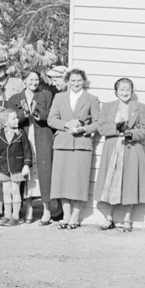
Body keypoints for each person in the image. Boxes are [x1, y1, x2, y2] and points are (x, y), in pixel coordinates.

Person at [94, 78, 145, 232]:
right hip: (112, 149)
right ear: (116, 92)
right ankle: (109, 219)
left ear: (131, 92)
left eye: (128, 89)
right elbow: (101, 127)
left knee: (129, 182)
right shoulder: (107, 107)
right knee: (111, 181)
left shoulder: (140, 107)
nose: (125, 92)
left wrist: (130, 133)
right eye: (122, 89)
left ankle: (127, 219)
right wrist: (117, 128)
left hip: (131, 148)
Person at [48, 68, 100, 229]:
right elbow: (51, 119)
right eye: (73, 80)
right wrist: (66, 124)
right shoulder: (59, 97)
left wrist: (84, 129)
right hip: (62, 143)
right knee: (62, 180)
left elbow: (98, 123)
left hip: (81, 144)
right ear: (68, 82)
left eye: (79, 80)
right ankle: (66, 215)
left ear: (83, 81)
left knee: (79, 181)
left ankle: (75, 217)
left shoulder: (91, 99)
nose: (76, 83)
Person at [8, 71, 57, 224]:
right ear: (24, 80)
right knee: (27, 174)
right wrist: (24, 112)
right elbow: (13, 117)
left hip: (42, 137)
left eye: (36, 80)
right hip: (24, 137)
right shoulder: (15, 98)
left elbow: (51, 115)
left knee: (45, 173)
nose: (34, 83)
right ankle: (28, 210)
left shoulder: (47, 95)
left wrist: (37, 112)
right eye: (30, 80)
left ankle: (46, 210)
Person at [0, 108, 33, 227]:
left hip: (17, 167)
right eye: (14, 118)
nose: (17, 120)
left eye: (17, 117)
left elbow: (27, 150)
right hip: (3, 167)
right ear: (5, 122)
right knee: (6, 191)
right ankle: (7, 215)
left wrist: (27, 165)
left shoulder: (21, 133)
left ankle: (15, 216)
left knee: (15, 191)